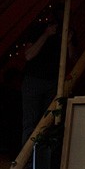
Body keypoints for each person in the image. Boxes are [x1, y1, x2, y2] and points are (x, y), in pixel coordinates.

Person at [21, 13, 66, 146]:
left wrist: (69, 43)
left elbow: (74, 59)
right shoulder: (38, 29)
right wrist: (46, 34)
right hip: (33, 81)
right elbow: (28, 55)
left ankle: (45, 159)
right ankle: (27, 160)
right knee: (31, 122)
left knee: (50, 121)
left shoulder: (65, 31)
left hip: (53, 82)